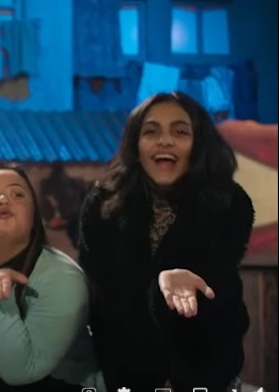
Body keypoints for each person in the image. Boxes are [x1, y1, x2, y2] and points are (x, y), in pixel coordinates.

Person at [78, 92, 253, 391]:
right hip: (126, 372)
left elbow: (223, 302)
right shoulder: (102, 205)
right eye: (151, 132)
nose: (165, 141)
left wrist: (182, 284)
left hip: (206, 370)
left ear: (198, 144)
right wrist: (158, 281)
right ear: (136, 145)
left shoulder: (229, 203)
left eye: (180, 132)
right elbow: (103, 295)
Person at [0, 161, 101, 392]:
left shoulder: (61, 276)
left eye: (17, 194)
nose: (3, 200)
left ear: (33, 214)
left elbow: (22, 370)